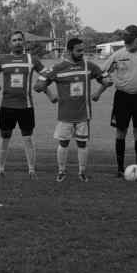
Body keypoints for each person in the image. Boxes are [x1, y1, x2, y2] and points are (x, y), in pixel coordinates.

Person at [93, 25, 137, 185]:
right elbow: (101, 74)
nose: (128, 45)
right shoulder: (117, 55)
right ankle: (120, 168)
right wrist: (102, 84)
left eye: (131, 42)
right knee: (120, 132)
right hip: (122, 98)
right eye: (126, 42)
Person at [35, 37, 107, 182]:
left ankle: (82, 172)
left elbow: (106, 79)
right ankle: (61, 171)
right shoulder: (58, 68)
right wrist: (49, 94)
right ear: (69, 51)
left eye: (83, 50)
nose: (82, 53)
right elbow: (38, 85)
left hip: (83, 114)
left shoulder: (89, 66)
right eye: (78, 50)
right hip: (65, 115)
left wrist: (98, 93)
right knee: (63, 143)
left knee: (82, 143)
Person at [0, 30, 56, 178]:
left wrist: (41, 84)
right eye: (14, 40)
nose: (17, 42)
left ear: (24, 42)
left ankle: (32, 170)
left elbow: (46, 74)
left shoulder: (32, 59)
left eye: (20, 39)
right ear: (10, 43)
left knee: (28, 138)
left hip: (25, 106)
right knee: (4, 137)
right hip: (6, 106)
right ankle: (1, 169)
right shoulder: (3, 60)